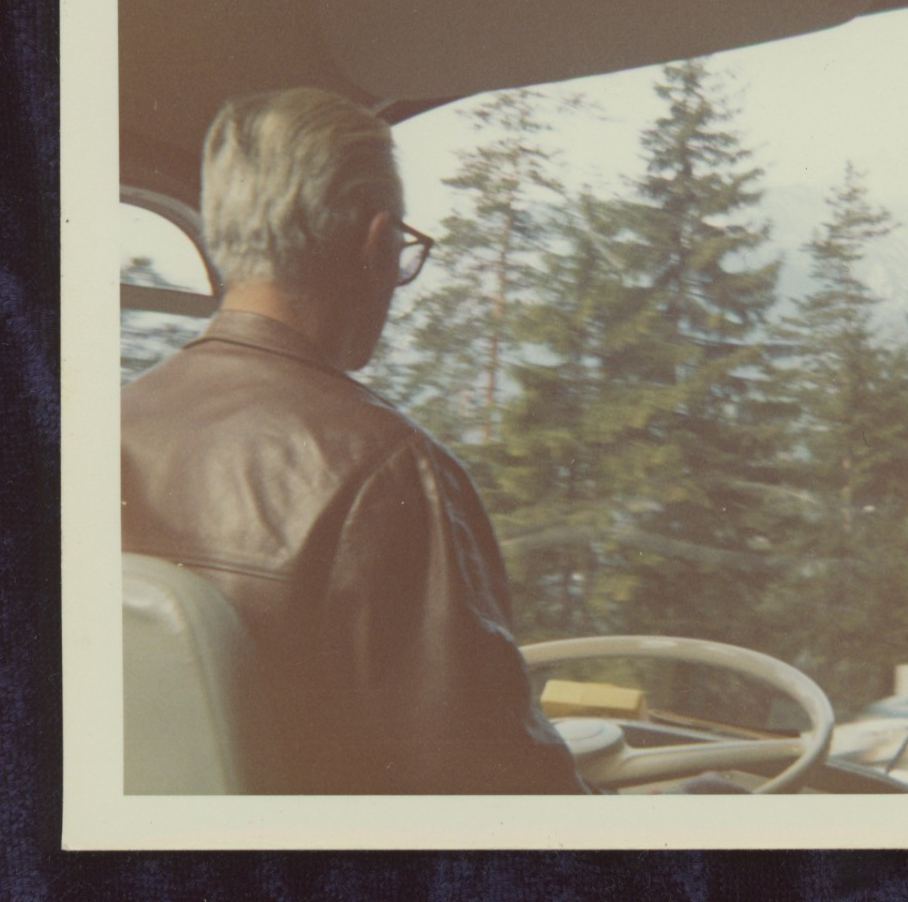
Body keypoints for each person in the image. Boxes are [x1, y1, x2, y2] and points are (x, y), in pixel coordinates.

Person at [121, 87, 587, 794]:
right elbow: (493, 787)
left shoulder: (107, 424)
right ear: (377, 244)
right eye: (402, 251)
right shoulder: (388, 470)